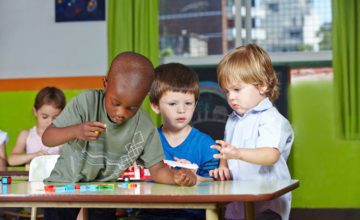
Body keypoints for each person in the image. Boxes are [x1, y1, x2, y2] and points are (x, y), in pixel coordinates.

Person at [41, 52, 197, 220]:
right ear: (105, 84)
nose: (120, 113)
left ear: (144, 96)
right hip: (64, 185)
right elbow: (47, 138)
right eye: (115, 103)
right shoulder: (86, 102)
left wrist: (176, 177)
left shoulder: (144, 126)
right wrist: (75, 131)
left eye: (131, 107)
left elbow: (157, 170)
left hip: (104, 189)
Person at [209, 44, 294, 220]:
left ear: (262, 86)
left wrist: (238, 153)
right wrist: (223, 166)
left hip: (268, 204)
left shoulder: (271, 119)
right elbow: (228, 149)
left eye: (237, 89)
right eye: (227, 92)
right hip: (239, 199)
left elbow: (270, 155)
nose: (231, 97)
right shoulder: (233, 119)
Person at [135, 63, 219, 220]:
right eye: (173, 104)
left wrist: (195, 178)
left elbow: (218, 186)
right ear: (155, 106)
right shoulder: (146, 141)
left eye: (188, 103)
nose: (182, 110)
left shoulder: (207, 145)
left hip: (191, 215)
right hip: (150, 214)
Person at [8, 87, 65, 166]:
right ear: (35, 111)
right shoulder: (26, 135)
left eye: (56, 118)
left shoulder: (64, 136)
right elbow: (12, 160)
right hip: (32, 178)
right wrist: (34, 155)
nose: (50, 122)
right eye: (45, 117)